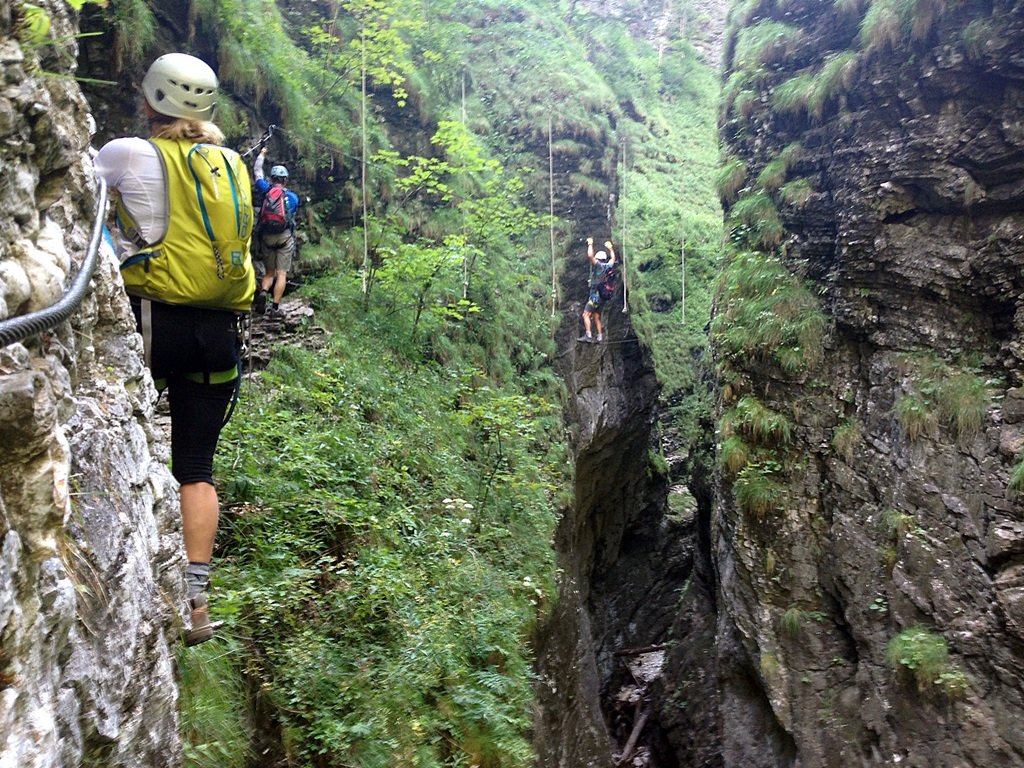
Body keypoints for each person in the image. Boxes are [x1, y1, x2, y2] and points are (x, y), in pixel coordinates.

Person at [94, 52, 255, 646]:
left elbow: (71, 196)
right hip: (220, 332)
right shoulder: (233, 163)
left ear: (149, 102)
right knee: (195, 467)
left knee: (119, 427)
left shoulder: (127, 154)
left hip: (154, 318)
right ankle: (196, 603)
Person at [253, 147, 300, 318]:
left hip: (266, 237)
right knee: (282, 273)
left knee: (269, 272)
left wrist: (262, 154)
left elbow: (257, 171)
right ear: (285, 180)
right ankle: (274, 308)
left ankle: (264, 291)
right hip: (283, 238)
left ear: (272, 178)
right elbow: (291, 217)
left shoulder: (265, 190)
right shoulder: (293, 197)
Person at [580, 237, 617, 343]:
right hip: (603, 298)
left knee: (586, 314)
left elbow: (590, 256)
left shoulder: (599, 266)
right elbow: (613, 259)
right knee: (596, 316)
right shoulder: (608, 266)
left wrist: (590, 244)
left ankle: (589, 336)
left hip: (595, 296)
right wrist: (610, 248)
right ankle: (600, 337)